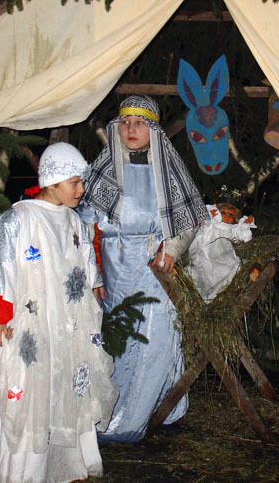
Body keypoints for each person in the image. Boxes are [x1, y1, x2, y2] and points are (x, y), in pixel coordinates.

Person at [0, 143, 118, 483]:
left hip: (64, 326)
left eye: (81, 182)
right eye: (74, 182)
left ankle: (65, 466)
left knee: (62, 387)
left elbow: (83, 261)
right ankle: (23, 473)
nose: (81, 189)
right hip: (29, 325)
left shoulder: (74, 221)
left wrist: (93, 285)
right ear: (52, 181)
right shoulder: (19, 219)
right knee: (27, 391)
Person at [79, 94, 209, 442]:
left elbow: (188, 219)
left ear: (152, 130)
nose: (131, 129)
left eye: (139, 123)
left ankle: (156, 409)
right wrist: (91, 272)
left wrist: (173, 249)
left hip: (154, 269)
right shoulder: (103, 171)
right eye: (125, 123)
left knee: (155, 337)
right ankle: (115, 411)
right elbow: (83, 226)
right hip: (115, 271)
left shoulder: (167, 170)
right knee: (119, 337)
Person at [187, 199, 256, 302]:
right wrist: (210, 215)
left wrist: (245, 225)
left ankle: (211, 298)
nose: (226, 216)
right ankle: (201, 296)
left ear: (235, 219)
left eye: (231, 215)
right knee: (197, 274)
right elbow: (199, 230)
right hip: (204, 257)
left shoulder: (232, 229)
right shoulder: (210, 224)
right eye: (223, 213)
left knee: (233, 269)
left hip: (223, 259)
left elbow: (242, 236)